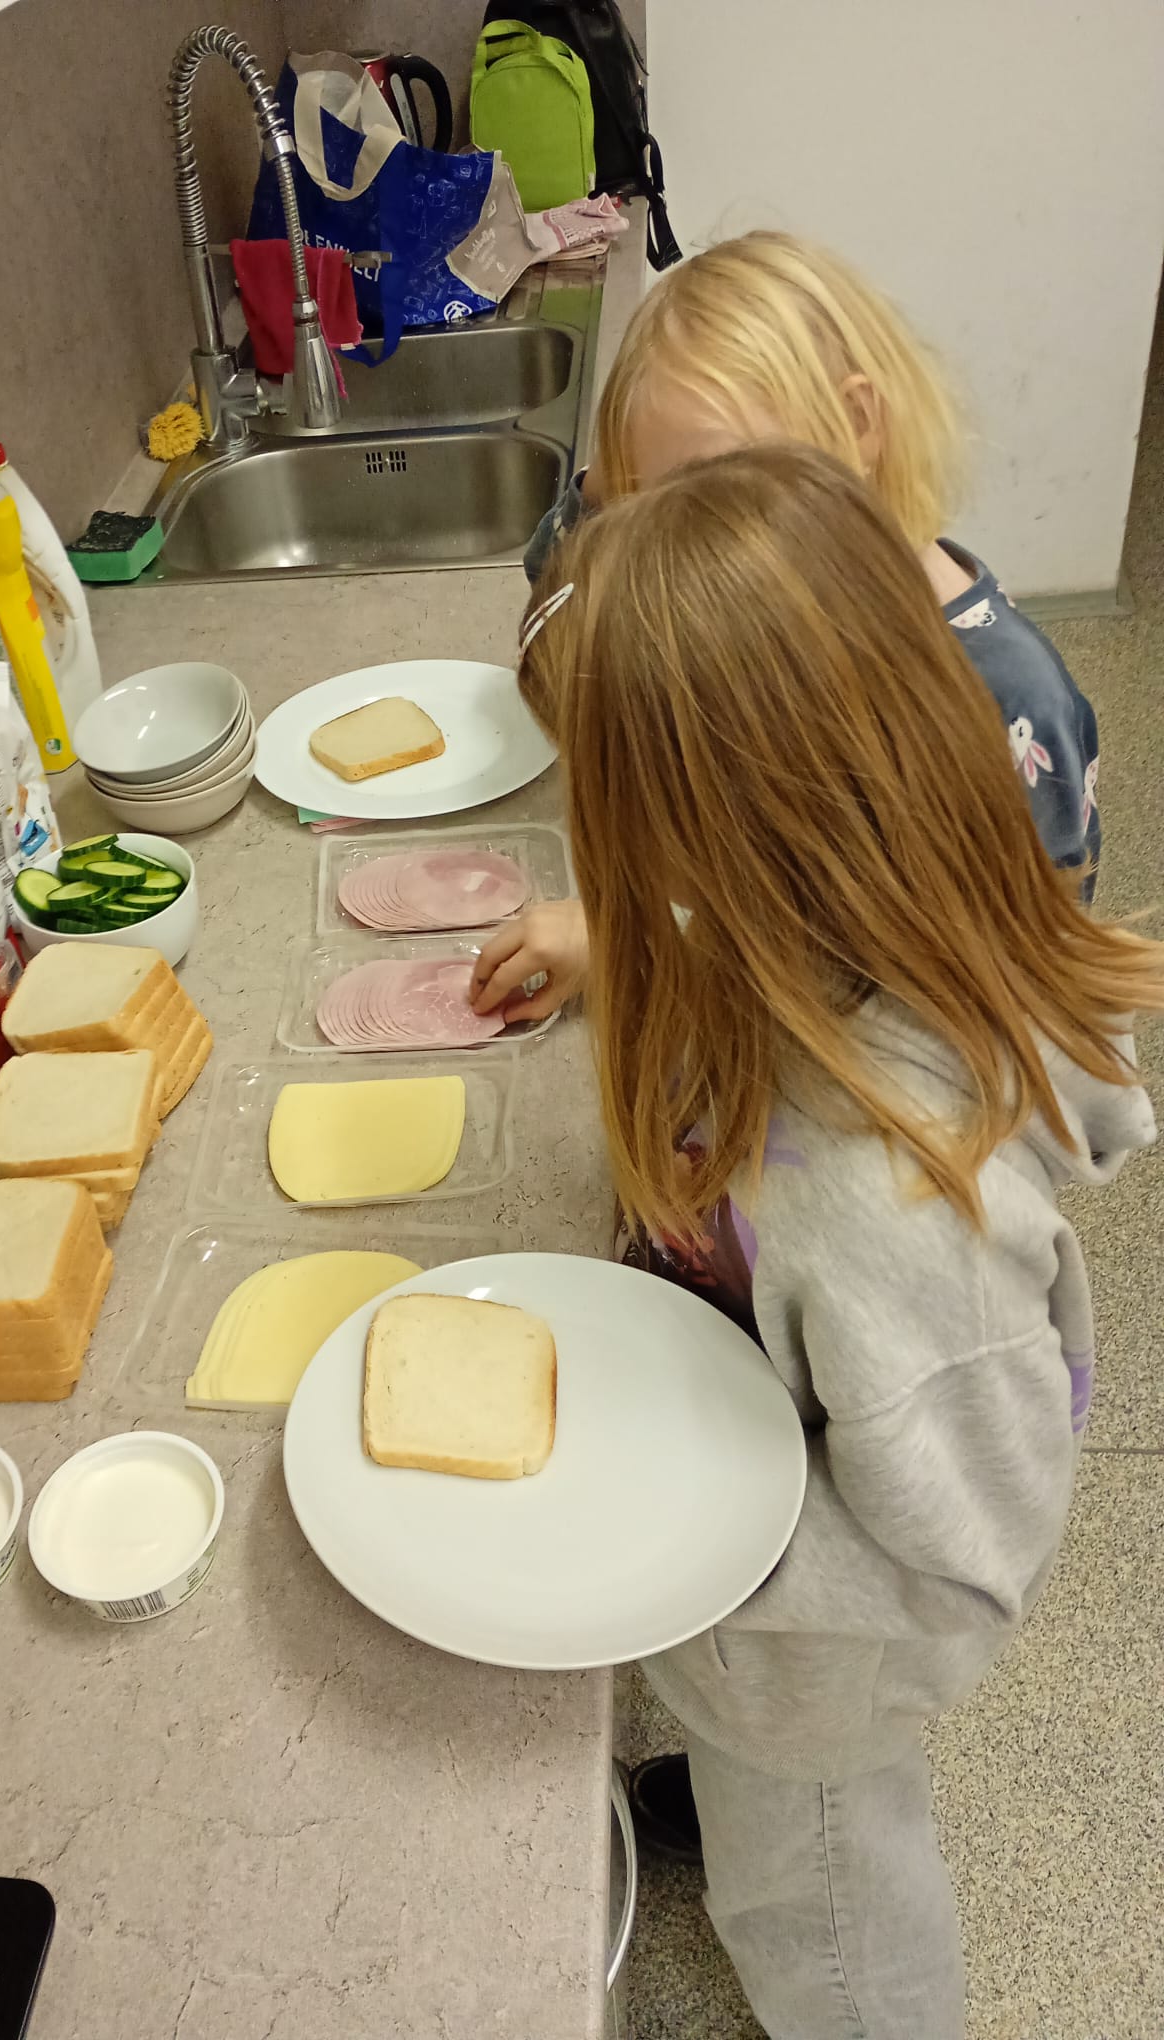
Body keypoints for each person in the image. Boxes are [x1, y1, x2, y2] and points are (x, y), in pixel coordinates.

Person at [516, 443, 1159, 2039]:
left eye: (622, 830)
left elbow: (957, 1564)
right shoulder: (800, 941)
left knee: (818, 1907)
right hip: (762, 1572)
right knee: (779, 1831)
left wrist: (684, 1549)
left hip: (812, 1666)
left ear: (742, 845)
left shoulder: (886, 1214)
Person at [474, 231, 1101, 1026]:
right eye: (649, 507)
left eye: (715, 492)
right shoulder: (755, 611)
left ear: (858, 422)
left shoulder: (1000, 696)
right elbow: (565, 578)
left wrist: (646, 945)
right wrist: (618, 483)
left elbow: (995, 995)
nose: (679, 549)